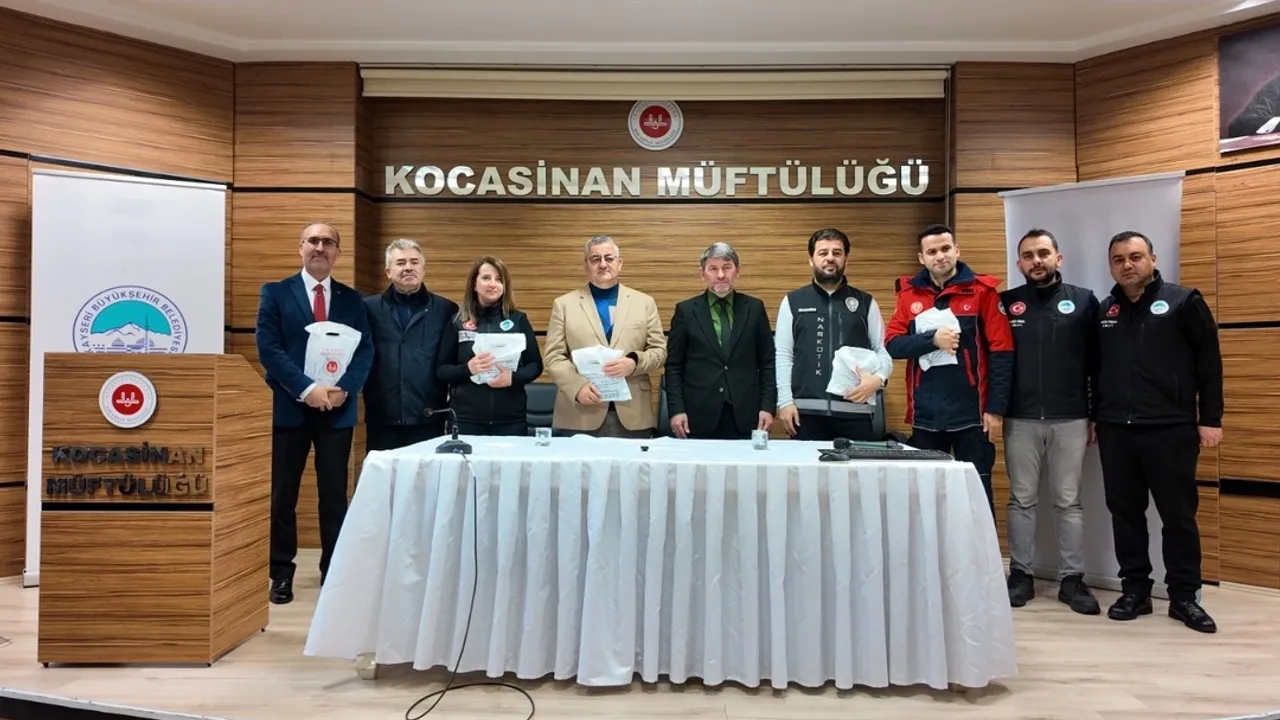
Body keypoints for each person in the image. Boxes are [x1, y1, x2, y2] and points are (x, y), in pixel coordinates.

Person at [1095, 230, 1222, 633]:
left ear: (1153, 258)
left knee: (1178, 516)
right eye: (1118, 259)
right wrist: (1097, 416)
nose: (1127, 265)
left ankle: (1184, 597)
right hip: (1116, 430)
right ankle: (1135, 591)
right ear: (1111, 266)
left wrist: (1211, 419)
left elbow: (1210, 364)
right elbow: (1094, 369)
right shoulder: (1105, 310)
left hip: (1171, 429)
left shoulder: (1185, 302)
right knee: (1125, 514)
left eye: (1135, 256)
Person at [255, 222, 373, 605]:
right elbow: (269, 348)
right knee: (282, 497)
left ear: (338, 252)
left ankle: (333, 572)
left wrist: (344, 390)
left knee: (335, 496)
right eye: (313, 241)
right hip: (290, 409)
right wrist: (308, 389)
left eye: (328, 242)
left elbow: (365, 351)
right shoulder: (275, 293)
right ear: (301, 247)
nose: (320, 247)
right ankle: (281, 573)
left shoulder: (352, 300)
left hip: (337, 410)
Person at [999, 228, 1100, 615]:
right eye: (1028, 255)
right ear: (1019, 263)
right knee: (1021, 499)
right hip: (1020, 418)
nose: (1036, 261)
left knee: (1068, 501)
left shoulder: (1084, 301)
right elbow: (996, 362)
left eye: (1043, 253)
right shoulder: (1006, 303)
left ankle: (1073, 579)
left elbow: (1098, 363)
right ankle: (1021, 573)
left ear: (1058, 258)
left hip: (1071, 417)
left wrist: (1095, 413)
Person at [885, 223, 1013, 514]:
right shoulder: (909, 295)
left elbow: (1002, 353)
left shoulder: (983, 292)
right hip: (925, 417)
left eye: (945, 248)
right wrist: (931, 340)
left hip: (973, 417)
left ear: (957, 250)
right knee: (925, 501)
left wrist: (996, 410)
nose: (940, 256)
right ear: (922, 258)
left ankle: (981, 548)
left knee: (976, 498)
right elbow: (892, 344)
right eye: (932, 252)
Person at [543, 235, 667, 438]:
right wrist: (577, 388)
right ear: (585, 265)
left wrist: (634, 363)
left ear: (620, 263)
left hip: (633, 413)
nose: (602, 264)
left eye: (609, 258)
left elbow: (659, 352)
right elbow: (553, 357)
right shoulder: (564, 305)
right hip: (580, 412)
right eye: (595, 259)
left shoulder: (644, 303)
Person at [775, 228, 893, 441]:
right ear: (811, 260)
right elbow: (783, 355)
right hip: (806, 414)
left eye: (837, 253)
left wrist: (879, 379)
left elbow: (881, 349)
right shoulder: (793, 301)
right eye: (823, 253)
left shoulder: (865, 302)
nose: (830, 258)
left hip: (856, 413)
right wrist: (784, 402)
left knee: (856, 465)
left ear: (846, 260)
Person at [664, 242, 776, 439]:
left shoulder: (755, 308)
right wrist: (676, 410)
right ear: (702, 273)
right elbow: (674, 366)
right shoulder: (686, 311)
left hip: (746, 413)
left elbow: (767, 363)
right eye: (713, 269)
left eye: (727, 267)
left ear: (738, 270)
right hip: (698, 413)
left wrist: (767, 407)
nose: (721, 275)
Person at [362, 239, 458, 450]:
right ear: (388, 272)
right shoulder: (368, 308)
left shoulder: (446, 310)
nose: (408, 267)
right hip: (383, 418)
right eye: (400, 263)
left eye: (414, 262)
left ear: (423, 269)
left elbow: (452, 361)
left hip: (429, 416)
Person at [436, 256, 543, 435]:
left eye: (499, 279)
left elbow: (535, 365)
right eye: (486, 278)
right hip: (466, 419)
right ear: (474, 284)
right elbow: (442, 370)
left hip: (511, 420)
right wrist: (467, 369)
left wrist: (513, 377)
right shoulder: (457, 322)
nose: (493, 284)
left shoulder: (518, 320)